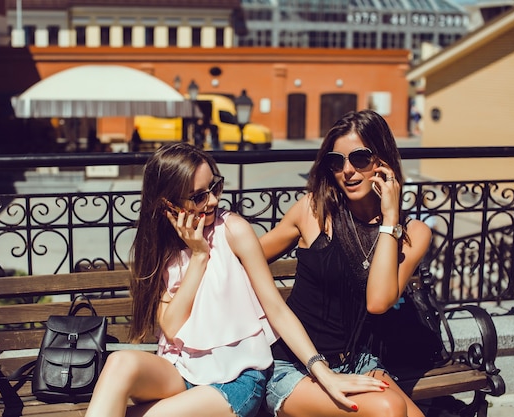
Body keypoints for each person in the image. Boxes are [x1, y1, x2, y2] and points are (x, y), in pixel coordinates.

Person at [85, 143, 388, 417]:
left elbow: (276, 309)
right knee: (119, 363)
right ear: (168, 206)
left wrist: (323, 372)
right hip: (180, 371)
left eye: (215, 187)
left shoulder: (233, 230)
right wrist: (199, 256)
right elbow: (173, 327)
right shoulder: (163, 250)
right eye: (199, 196)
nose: (214, 200)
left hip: (234, 380)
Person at [259, 109, 431, 417]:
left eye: (360, 158)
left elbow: (377, 301)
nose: (348, 171)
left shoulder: (413, 233)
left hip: (359, 361)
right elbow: (247, 257)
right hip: (294, 364)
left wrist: (390, 220)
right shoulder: (313, 211)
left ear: (382, 160)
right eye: (337, 162)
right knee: (389, 409)